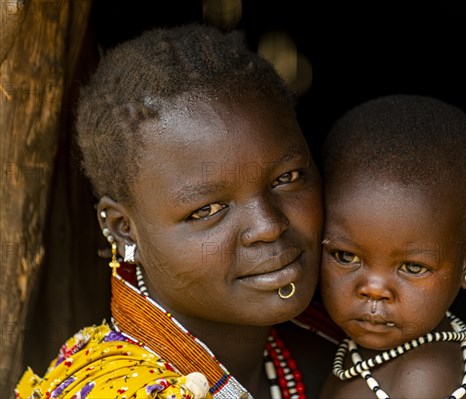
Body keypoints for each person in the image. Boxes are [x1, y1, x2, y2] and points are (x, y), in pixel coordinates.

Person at [15, 23, 336, 399]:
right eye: (209, 209)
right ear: (122, 228)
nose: (268, 226)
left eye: (288, 177)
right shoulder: (115, 390)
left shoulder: (334, 360)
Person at [318, 94, 466, 399]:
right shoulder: (367, 355)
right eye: (345, 256)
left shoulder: (423, 381)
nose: (374, 289)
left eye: (413, 267)